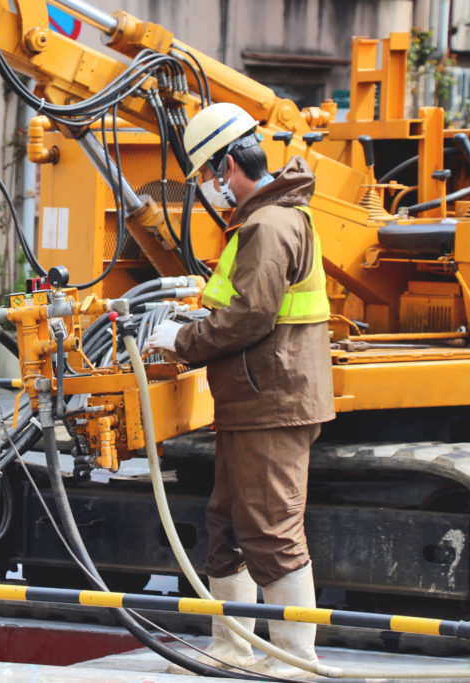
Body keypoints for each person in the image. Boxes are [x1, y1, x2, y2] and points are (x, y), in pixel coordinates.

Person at [145, 102, 334, 678]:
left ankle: (296, 660)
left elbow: (250, 317)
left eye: (208, 175)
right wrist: (188, 320)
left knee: (272, 530)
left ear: (230, 165)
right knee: (228, 524)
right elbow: (238, 304)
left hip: (273, 403)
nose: (208, 188)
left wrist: (179, 339)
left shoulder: (270, 225)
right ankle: (233, 649)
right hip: (253, 401)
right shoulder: (260, 222)